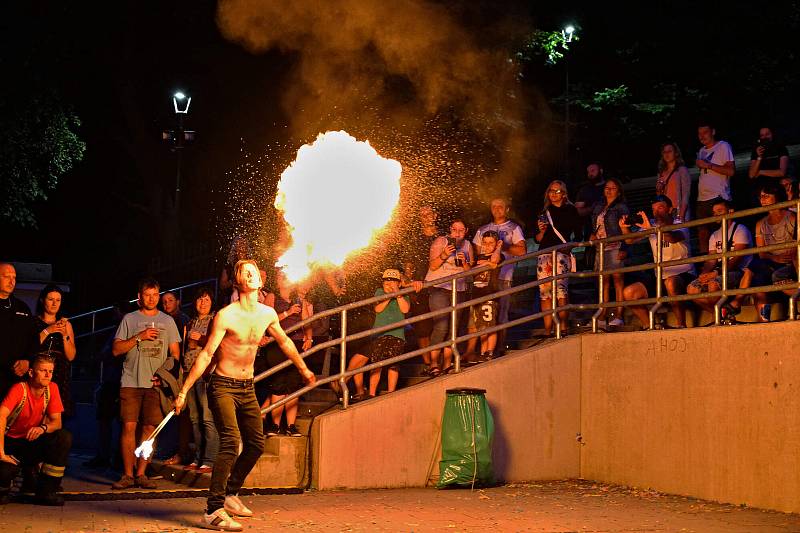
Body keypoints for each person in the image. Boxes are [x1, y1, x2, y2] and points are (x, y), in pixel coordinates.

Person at [175, 260, 315, 531]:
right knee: (231, 441)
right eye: (243, 273)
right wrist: (183, 391)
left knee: (256, 444)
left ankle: (230, 494)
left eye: (253, 272)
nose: (250, 275)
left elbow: (285, 341)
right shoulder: (226, 315)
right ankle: (213, 510)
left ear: (260, 282)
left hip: (247, 386)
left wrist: (304, 368)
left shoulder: (268, 313)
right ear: (237, 283)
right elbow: (206, 354)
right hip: (223, 384)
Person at [111, 278, 181, 490]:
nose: (152, 299)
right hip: (131, 381)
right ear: (140, 297)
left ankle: (142, 473)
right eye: (147, 295)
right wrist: (139, 337)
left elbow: (176, 354)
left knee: (150, 429)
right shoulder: (129, 319)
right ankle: (127, 474)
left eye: (155, 295)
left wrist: (165, 377)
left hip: (155, 385)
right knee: (128, 426)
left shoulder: (168, 321)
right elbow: (116, 349)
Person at [0, 355, 72, 506]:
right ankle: (8, 486)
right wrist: (1, 453)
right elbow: (1, 416)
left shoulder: (52, 388)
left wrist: (43, 428)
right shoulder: (19, 389)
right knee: (4, 474)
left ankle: (47, 492)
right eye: (43, 370)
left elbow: (57, 422)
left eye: (50, 371)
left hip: (29, 442)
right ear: (32, 373)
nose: (48, 375)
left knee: (63, 437)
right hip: (10, 443)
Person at [620, 195, 695, 328]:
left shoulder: (680, 224)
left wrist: (653, 229)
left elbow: (672, 238)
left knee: (671, 282)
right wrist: (624, 227)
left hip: (683, 276)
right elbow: (629, 240)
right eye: (654, 209)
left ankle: (681, 326)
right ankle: (650, 326)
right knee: (629, 293)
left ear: (670, 209)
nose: (656, 212)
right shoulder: (652, 225)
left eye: (660, 208)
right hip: (660, 277)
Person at [262, 269, 313, 437]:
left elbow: (307, 321)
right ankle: (275, 426)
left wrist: (309, 338)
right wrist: (288, 312)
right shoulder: (272, 297)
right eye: (281, 276)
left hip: (295, 345)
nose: (284, 278)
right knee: (278, 384)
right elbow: (267, 320)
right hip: (277, 344)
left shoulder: (299, 298)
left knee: (293, 385)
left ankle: (291, 426)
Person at [472, 198, 526, 350]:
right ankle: (483, 350)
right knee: (481, 317)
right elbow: (476, 252)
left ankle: (499, 348)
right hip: (483, 280)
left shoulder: (513, 228)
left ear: (507, 209)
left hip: (503, 277)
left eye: (500, 206)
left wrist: (501, 246)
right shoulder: (482, 229)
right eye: (493, 206)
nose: (497, 209)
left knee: (500, 315)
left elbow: (522, 250)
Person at [687, 198, 754, 320]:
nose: (716, 214)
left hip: (739, 271)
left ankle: (719, 317)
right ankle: (720, 315)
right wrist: (704, 274)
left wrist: (714, 273)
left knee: (713, 286)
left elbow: (736, 259)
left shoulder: (740, 229)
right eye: (714, 212)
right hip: (718, 272)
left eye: (720, 211)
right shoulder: (714, 235)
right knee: (692, 289)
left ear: (731, 211)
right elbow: (711, 260)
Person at [426, 220, 473, 375]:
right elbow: (433, 265)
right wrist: (445, 254)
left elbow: (469, 272)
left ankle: (447, 363)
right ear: (450, 230)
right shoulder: (441, 241)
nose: (457, 233)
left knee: (453, 327)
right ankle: (433, 363)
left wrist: (465, 263)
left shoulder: (467, 245)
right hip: (439, 287)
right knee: (442, 325)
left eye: (461, 230)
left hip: (458, 289)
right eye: (454, 229)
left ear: (466, 230)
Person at [534, 181, 582, 336]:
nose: (553, 194)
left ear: (564, 193)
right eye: (551, 191)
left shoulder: (571, 210)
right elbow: (538, 239)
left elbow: (579, 234)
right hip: (544, 254)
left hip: (561, 253)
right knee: (545, 292)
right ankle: (548, 328)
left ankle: (563, 327)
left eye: (557, 191)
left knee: (561, 290)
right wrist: (541, 231)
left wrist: (569, 247)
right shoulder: (545, 211)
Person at [181, 288, 219, 473]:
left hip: (204, 374)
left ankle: (210, 459)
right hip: (189, 373)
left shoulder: (214, 320)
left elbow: (218, 345)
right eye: (199, 299)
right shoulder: (190, 322)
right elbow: (185, 350)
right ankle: (197, 457)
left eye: (206, 299)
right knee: (194, 418)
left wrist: (201, 339)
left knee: (207, 417)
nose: (203, 303)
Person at [750, 184, 797, 322]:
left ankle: (738, 301)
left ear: (777, 197)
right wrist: (775, 257)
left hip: (790, 262)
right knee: (759, 279)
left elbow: (794, 250)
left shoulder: (792, 217)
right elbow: (762, 253)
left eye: (767, 196)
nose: (762, 199)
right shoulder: (760, 224)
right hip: (771, 262)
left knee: (764, 272)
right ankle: (764, 320)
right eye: (761, 197)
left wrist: (783, 258)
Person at [401, 205, 438, 373]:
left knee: (441, 324)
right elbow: (408, 265)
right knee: (423, 327)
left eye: (429, 213)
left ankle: (440, 361)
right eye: (422, 215)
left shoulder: (443, 236)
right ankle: (428, 362)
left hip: (441, 285)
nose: (426, 217)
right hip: (420, 287)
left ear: (435, 215)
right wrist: (409, 280)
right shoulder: (415, 239)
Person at [590, 178, 630, 327]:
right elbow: (595, 224)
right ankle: (602, 314)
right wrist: (592, 234)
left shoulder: (621, 207)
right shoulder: (599, 206)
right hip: (601, 247)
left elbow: (626, 227)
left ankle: (619, 315)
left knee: (618, 281)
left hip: (615, 245)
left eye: (613, 188)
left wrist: (624, 248)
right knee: (603, 282)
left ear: (618, 191)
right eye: (607, 187)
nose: (609, 190)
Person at [33, 285, 76, 418]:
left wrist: (64, 335)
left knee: (56, 414)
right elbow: (30, 346)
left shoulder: (66, 324)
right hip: (39, 371)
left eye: (58, 300)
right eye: (51, 299)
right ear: (42, 300)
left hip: (59, 373)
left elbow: (71, 356)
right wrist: (48, 330)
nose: (54, 303)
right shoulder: (33, 322)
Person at [366, 269, 410, 397]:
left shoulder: (404, 294)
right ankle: (372, 393)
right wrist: (389, 297)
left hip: (397, 334)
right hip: (379, 334)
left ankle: (391, 392)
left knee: (393, 365)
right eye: (386, 282)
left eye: (393, 283)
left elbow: (405, 309)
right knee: (376, 364)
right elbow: (378, 309)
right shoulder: (379, 293)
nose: (389, 285)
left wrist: (398, 295)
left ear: (399, 284)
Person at [695, 121, 735, 253]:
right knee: (703, 232)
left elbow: (731, 171)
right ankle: (705, 264)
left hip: (718, 196)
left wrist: (708, 165)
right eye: (699, 133)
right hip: (702, 198)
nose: (702, 136)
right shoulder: (701, 151)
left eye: (705, 132)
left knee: (721, 230)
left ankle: (725, 261)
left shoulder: (723, 146)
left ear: (713, 131)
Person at [0, 263, 39, 400]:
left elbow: (34, 339)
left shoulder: (22, 307)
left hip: (16, 379)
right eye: (6, 277)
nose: (12, 281)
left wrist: (27, 360)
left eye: (14, 277)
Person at [465, 231, 502, 362]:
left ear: (496, 244)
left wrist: (497, 248)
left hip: (490, 295)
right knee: (480, 326)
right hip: (477, 296)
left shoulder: (498, 255)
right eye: (484, 242)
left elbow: (494, 262)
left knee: (490, 325)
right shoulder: (479, 257)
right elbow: (469, 272)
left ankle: (490, 351)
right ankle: (483, 351)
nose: (487, 245)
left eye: (490, 243)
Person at [748, 127, 789, 203]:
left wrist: (760, 172)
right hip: (762, 191)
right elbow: (751, 174)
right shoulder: (756, 151)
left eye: (767, 134)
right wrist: (759, 157)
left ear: (772, 134)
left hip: (777, 189)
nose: (765, 137)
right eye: (762, 135)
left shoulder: (781, 148)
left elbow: (782, 172)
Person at [656, 142, 691, 222]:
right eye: (664, 152)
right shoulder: (661, 173)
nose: (667, 154)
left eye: (669, 151)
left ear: (676, 153)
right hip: (666, 211)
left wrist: (682, 214)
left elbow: (686, 194)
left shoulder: (682, 170)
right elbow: (659, 196)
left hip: (678, 209)